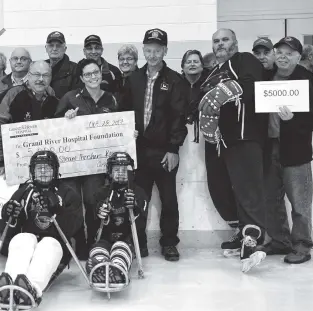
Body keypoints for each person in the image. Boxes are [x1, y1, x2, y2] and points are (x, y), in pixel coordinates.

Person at [200, 28, 266, 272]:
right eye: (216, 41)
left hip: (243, 138)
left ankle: (254, 243)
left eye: (225, 39)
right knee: (220, 189)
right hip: (219, 141)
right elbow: (200, 102)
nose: (220, 44)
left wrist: (229, 90)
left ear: (235, 43)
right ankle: (242, 233)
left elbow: (252, 87)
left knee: (248, 191)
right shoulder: (212, 73)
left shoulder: (244, 59)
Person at [120, 28, 188, 261]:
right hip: (139, 151)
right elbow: (125, 111)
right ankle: (138, 243)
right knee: (139, 199)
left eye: (157, 50)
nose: (152, 55)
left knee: (169, 198)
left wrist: (173, 149)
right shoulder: (134, 79)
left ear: (165, 51)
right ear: (143, 51)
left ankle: (169, 242)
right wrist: (127, 132)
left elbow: (179, 117)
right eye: (148, 50)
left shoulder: (174, 80)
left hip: (164, 151)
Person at [0, 60, 59, 255]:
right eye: (36, 74)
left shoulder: (52, 96)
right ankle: (8, 249)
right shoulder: (12, 95)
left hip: (41, 168)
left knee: (37, 205)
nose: (41, 79)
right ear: (28, 75)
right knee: (11, 205)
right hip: (14, 164)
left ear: (50, 77)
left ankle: (37, 243)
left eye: (45, 75)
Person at [0, 151, 82, 308]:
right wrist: (11, 214)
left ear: (56, 170)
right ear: (32, 171)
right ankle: (10, 285)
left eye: (47, 168)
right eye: (38, 168)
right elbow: (9, 231)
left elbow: (73, 227)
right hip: (30, 240)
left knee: (48, 243)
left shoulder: (67, 193)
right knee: (22, 238)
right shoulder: (23, 191)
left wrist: (56, 210)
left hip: (55, 244)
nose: (42, 172)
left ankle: (31, 290)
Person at [55, 58, 119, 260]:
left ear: (101, 72)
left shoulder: (111, 99)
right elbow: (53, 130)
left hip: (96, 163)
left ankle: (94, 242)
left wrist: (129, 135)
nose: (93, 77)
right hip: (72, 163)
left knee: (93, 202)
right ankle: (79, 244)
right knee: (72, 204)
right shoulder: (70, 98)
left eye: (95, 72)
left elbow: (118, 128)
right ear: (81, 78)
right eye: (88, 74)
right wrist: (65, 119)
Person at [261, 36, 313, 264]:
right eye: (279, 52)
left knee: (299, 200)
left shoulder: (308, 80)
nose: (283, 57)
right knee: (271, 198)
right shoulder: (265, 77)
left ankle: (302, 244)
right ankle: (279, 240)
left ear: (298, 57)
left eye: (289, 53)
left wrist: (293, 120)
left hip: (296, 148)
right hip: (269, 145)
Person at [181, 49, 240, 230]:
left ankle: (247, 229)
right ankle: (236, 226)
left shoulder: (217, 83)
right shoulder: (177, 83)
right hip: (205, 144)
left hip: (227, 141)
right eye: (188, 61)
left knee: (236, 183)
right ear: (182, 66)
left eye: (196, 61)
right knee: (216, 184)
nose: (192, 64)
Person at [85, 152, 147, 283]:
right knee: (97, 250)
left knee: (121, 250)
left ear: (131, 172)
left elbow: (141, 223)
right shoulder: (102, 192)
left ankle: (117, 271)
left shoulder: (138, 192)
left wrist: (135, 206)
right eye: (116, 170)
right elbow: (93, 220)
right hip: (105, 238)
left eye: (124, 170)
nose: (120, 173)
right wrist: (100, 212)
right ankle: (100, 269)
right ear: (110, 172)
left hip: (127, 239)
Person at [45, 31, 79, 99]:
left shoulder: (75, 69)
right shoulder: (40, 67)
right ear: (46, 48)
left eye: (58, 46)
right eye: (51, 45)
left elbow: (76, 99)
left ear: (65, 49)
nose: (54, 49)